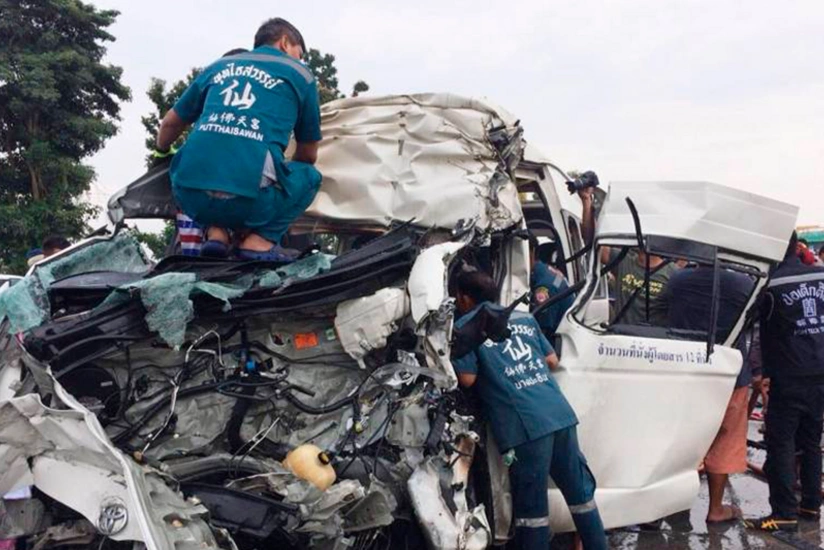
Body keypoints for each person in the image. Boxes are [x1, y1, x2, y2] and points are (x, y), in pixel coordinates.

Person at [452, 270, 607, 550]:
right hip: (559, 415)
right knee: (581, 495)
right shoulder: (524, 317)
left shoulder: (465, 328)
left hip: (525, 427)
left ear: (463, 298)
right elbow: (553, 360)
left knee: (532, 513)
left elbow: (467, 379)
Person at [155, 18, 322, 261]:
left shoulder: (219, 66)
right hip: (251, 200)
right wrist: (279, 182)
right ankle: (259, 242)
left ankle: (217, 235)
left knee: (200, 172)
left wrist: (161, 153)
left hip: (190, 195)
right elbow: (308, 155)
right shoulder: (300, 74)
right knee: (310, 177)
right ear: (285, 43)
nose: (299, 60)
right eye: (299, 53)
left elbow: (170, 123)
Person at [661, 263, 755, 523]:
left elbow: (662, 313)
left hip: (686, 373)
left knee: (681, 440)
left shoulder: (677, 280)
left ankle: (672, 507)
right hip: (731, 374)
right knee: (725, 440)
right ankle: (715, 508)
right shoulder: (744, 285)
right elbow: (753, 323)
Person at [745, 232, 824, 532]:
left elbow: (751, 327)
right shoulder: (821, 277)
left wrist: (759, 373)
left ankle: (783, 512)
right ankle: (811, 505)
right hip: (819, 371)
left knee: (781, 442)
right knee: (811, 441)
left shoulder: (770, 285)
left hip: (788, 375)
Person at [601, 246, 676, 326]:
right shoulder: (623, 260)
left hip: (651, 336)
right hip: (621, 335)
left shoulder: (672, 274)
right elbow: (596, 246)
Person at [528, 232, 575, 339]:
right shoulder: (549, 272)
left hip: (557, 342)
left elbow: (542, 332)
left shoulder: (544, 286)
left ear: (531, 252)